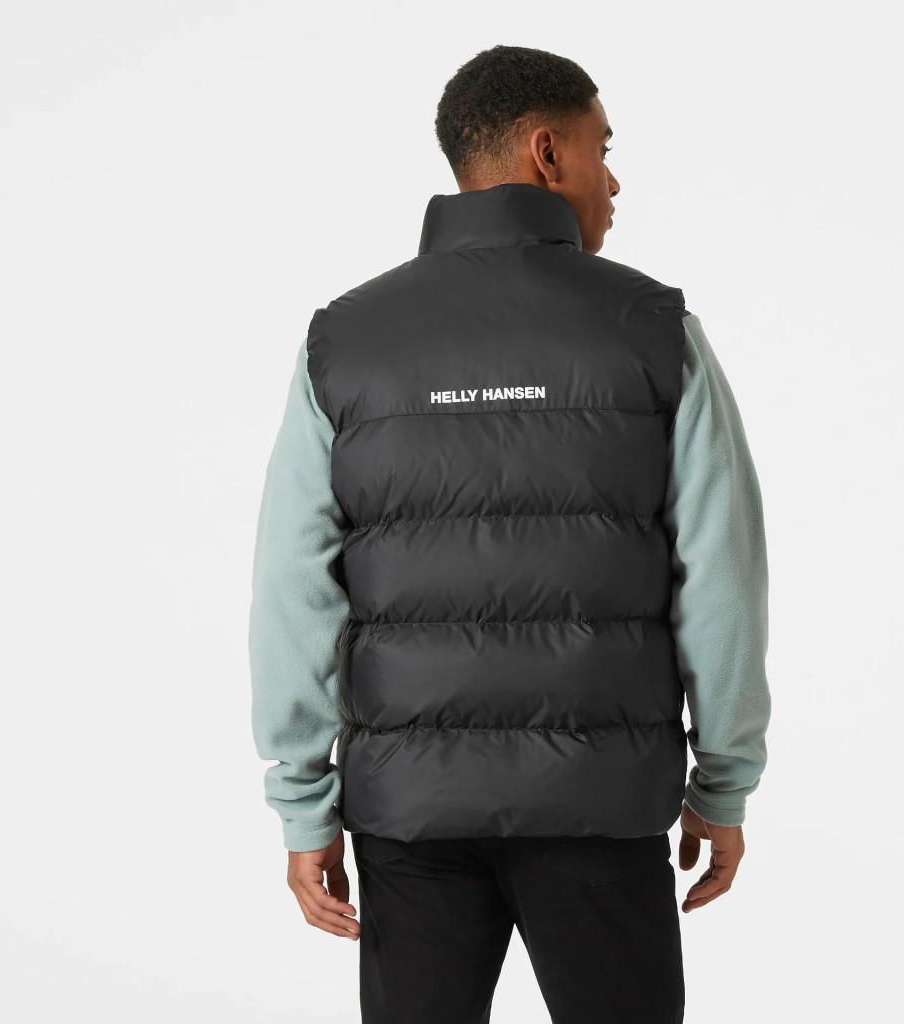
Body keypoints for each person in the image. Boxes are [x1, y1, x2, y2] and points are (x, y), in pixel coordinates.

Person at [249, 44, 771, 1024]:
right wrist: (724, 780)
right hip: (601, 800)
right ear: (546, 152)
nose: (613, 180)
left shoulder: (344, 341)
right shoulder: (657, 332)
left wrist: (303, 799)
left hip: (410, 813)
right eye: (602, 149)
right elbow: (723, 578)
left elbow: (292, 583)